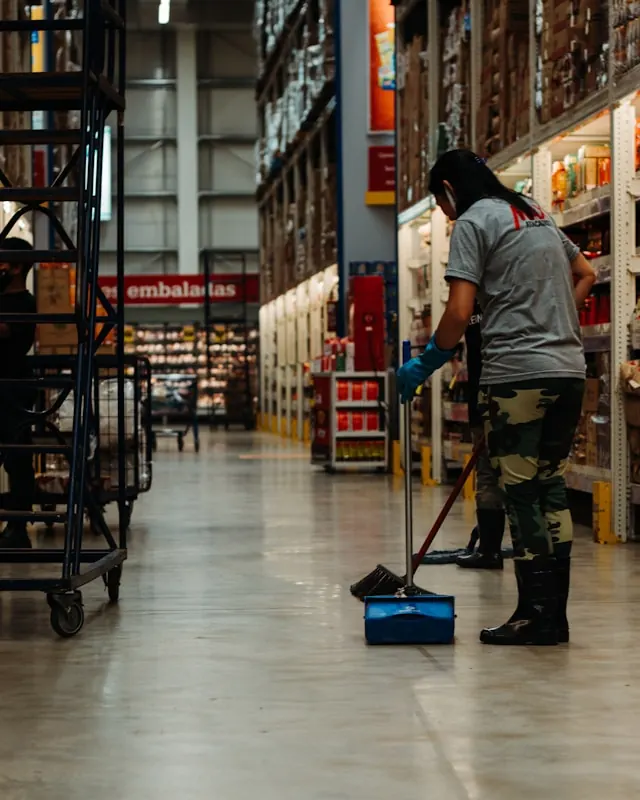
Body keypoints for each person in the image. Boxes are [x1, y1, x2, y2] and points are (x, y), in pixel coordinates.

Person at [397, 149, 596, 646]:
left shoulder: (473, 221)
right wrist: (558, 325)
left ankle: (534, 614)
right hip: (568, 371)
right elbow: (586, 272)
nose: (445, 214)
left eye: (440, 202)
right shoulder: (535, 212)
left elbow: (461, 309)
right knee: (552, 489)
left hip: (517, 377)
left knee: (521, 493)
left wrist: (427, 361)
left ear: (448, 188)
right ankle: (555, 616)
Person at [455, 301, 506, 570]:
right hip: (513, 396)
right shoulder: (509, 295)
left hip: (486, 400)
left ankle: (489, 550)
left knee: (487, 475)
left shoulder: (469, 304)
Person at [0, 237, 38, 549]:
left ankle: (18, 526)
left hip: (13, 389)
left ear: (16, 267)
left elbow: (13, 343)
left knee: (17, 458)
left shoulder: (26, 303)